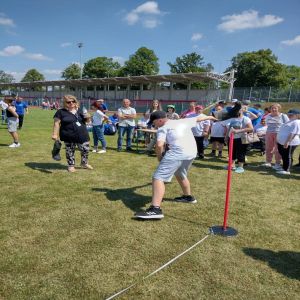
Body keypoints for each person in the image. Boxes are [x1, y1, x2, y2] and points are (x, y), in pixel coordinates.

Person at [134, 111, 217, 220]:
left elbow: (159, 145)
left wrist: (159, 158)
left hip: (177, 153)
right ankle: (188, 197)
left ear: (160, 120)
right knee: (180, 173)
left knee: (158, 178)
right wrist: (213, 117)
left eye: (154, 123)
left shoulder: (163, 128)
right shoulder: (184, 121)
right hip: (191, 152)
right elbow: (200, 117)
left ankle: (155, 209)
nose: (154, 125)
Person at [52, 95, 93, 172]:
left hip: (82, 134)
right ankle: (71, 165)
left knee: (85, 149)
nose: (71, 103)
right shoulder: (60, 112)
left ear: (75, 101)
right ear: (65, 103)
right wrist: (55, 134)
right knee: (70, 150)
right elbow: (56, 123)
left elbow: (87, 121)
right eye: (68, 102)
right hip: (68, 135)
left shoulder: (80, 110)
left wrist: (88, 117)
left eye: (73, 101)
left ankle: (84, 163)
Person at [224, 102, 253, 174]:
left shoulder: (246, 119)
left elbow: (251, 129)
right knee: (231, 152)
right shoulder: (232, 119)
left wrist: (238, 131)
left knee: (241, 153)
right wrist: (226, 137)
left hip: (241, 139)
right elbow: (229, 128)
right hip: (231, 138)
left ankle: (240, 167)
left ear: (241, 110)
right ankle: (231, 165)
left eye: (238, 110)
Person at [262, 103, 289, 169]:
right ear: (270, 109)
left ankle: (277, 163)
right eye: (272, 108)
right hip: (269, 133)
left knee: (277, 149)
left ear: (278, 109)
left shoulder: (283, 116)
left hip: (279, 134)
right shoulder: (268, 115)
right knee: (268, 148)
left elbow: (288, 125)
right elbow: (265, 124)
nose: (273, 109)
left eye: (275, 108)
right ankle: (268, 162)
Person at [276, 109, 300, 175]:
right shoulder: (290, 121)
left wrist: (287, 142)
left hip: (290, 143)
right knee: (283, 155)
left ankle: (287, 170)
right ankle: (284, 167)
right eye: (289, 114)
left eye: (291, 114)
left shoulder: (296, 122)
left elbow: (293, 133)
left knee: (287, 155)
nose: (289, 115)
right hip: (282, 142)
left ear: (297, 115)